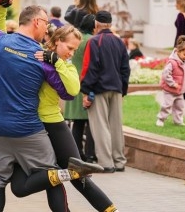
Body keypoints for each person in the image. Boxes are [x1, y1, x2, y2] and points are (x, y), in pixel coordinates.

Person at [0, 2, 104, 211]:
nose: (47, 29)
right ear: (37, 22)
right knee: (50, 173)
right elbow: (67, 92)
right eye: (46, 23)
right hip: (27, 130)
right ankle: (66, 173)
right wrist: (58, 63)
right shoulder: (40, 56)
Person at [0, 6, 119, 211]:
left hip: (53, 125)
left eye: (74, 50)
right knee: (39, 181)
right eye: (69, 48)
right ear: (57, 41)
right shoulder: (34, 53)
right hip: (26, 128)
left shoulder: (64, 65)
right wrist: (1, 10)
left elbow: (73, 88)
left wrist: (58, 62)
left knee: (78, 177)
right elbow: (1, 41)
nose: (71, 53)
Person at [81, 11, 131, 173]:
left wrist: (86, 91)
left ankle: (106, 162)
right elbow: (126, 69)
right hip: (116, 88)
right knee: (116, 126)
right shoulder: (119, 42)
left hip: (99, 89)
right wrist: (122, 90)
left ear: (96, 24)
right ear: (110, 23)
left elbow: (91, 68)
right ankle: (119, 161)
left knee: (100, 126)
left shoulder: (95, 41)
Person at [64, 14, 97, 163]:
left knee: (77, 123)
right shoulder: (91, 40)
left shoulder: (77, 38)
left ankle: (76, 153)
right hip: (86, 81)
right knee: (89, 121)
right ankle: (89, 154)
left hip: (73, 79)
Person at [156, 35, 185, 127]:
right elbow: (166, 74)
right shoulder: (172, 62)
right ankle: (161, 119)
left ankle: (178, 121)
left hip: (179, 90)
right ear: (178, 51)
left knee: (180, 106)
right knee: (167, 105)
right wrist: (172, 83)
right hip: (170, 90)